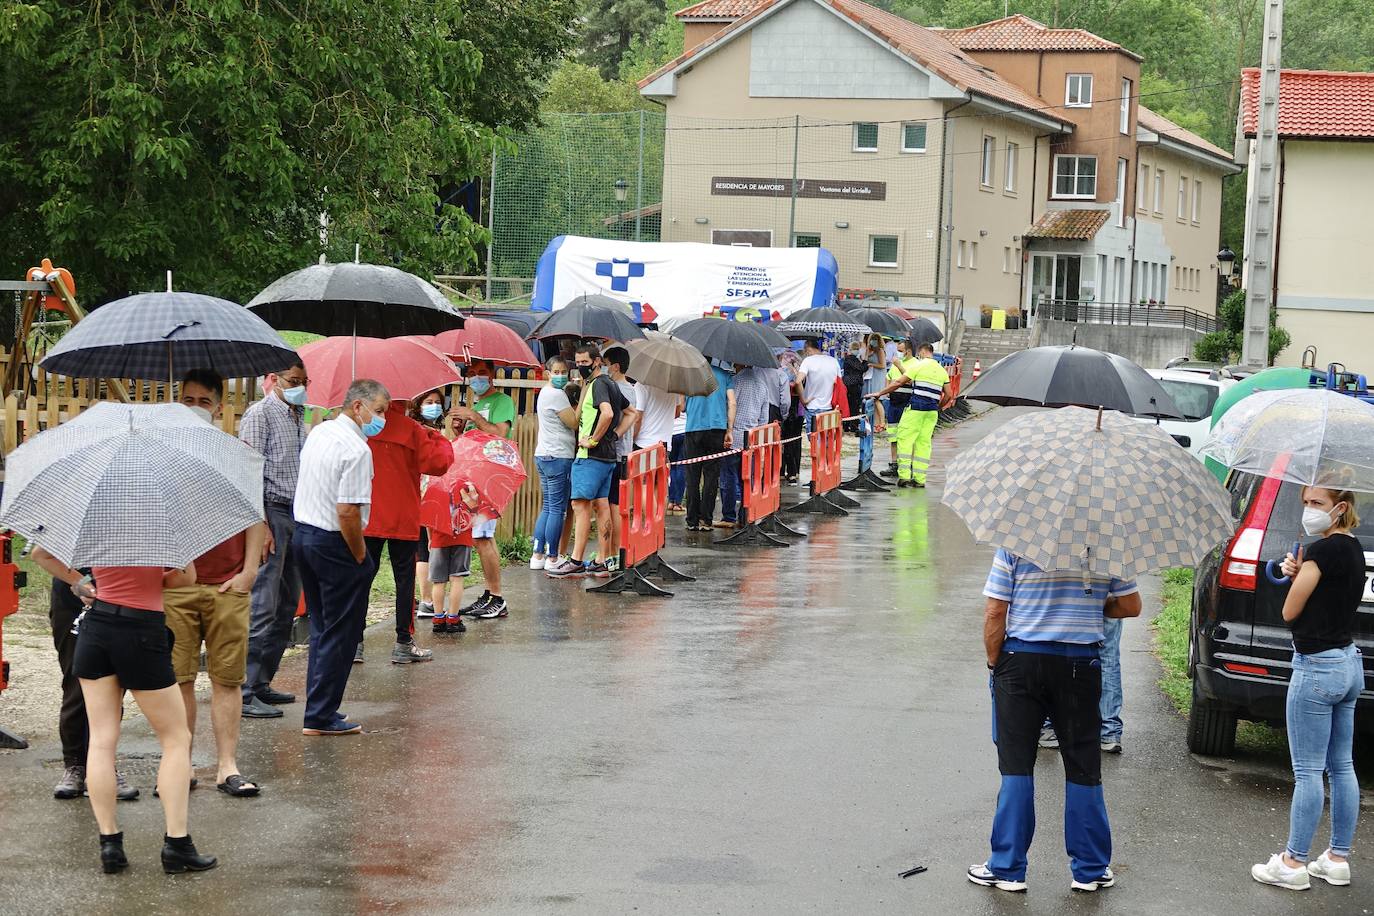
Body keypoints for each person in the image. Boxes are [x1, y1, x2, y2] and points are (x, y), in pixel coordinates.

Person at [32, 550, 217, 874]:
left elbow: (40, 553)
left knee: (102, 740)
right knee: (175, 738)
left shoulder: (96, 515)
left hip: (95, 628)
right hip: (140, 629)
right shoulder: (156, 520)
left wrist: (82, 583)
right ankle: (177, 845)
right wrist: (153, 579)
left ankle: (110, 846)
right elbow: (185, 577)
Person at [970, 549, 1141, 894]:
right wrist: (1097, 605)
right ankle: (1090, 869)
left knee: (1016, 765)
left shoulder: (1015, 543)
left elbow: (995, 609)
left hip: (1021, 661)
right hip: (1080, 664)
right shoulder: (1107, 545)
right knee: (1083, 765)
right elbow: (1130, 606)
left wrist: (994, 663)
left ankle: (1007, 868)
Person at [1251, 487, 1365, 891]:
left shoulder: (1321, 551)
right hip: (1349, 664)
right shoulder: (1352, 549)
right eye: (1305, 502)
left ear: (1340, 507)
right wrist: (1303, 574)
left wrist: (1296, 576)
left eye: (1316, 503)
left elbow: (1290, 610)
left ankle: (1293, 862)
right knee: (1342, 766)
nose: (1308, 510)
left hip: (1317, 666)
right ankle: (1337, 858)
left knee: (1307, 772)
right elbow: (1329, 597)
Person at [165, 369, 268, 798]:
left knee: (228, 678)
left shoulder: (236, 454)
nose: (195, 408)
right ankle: (181, 764)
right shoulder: (164, 456)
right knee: (179, 678)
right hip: (177, 585)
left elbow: (255, 517)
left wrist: (248, 573)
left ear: (219, 408)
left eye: (203, 402)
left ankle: (227, 765)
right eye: (187, 400)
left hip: (228, 582)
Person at [295, 378, 390, 736]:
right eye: (378, 411)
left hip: (304, 534)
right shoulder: (357, 450)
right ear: (358, 407)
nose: (380, 419)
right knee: (341, 632)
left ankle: (318, 709)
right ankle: (320, 714)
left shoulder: (319, 433)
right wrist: (360, 556)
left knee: (323, 627)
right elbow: (348, 510)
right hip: (333, 541)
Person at [354, 392, 452, 664]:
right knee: (404, 582)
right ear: (405, 402)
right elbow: (440, 464)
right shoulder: (413, 430)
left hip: (368, 514)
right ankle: (403, 642)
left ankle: (355, 643)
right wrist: (438, 437)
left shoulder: (362, 427)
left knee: (362, 580)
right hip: (404, 516)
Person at [238, 358, 308, 719]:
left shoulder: (299, 417)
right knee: (262, 604)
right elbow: (246, 469)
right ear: (274, 380)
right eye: (293, 380)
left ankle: (263, 681)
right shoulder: (260, 414)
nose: (299, 386)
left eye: (303, 380)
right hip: (270, 511)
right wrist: (259, 524)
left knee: (287, 604)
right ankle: (243, 690)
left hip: (297, 514)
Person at [48, 579, 139, 801]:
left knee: (113, 687)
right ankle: (75, 765)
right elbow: (45, 555)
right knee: (76, 684)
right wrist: (80, 583)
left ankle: (105, 767)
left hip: (120, 597)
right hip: (71, 600)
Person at [547, 344, 632, 578]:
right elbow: (631, 413)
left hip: (591, 456)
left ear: (597, 361)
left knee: (580, 506)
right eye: (578, 362)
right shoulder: (611, 384)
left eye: (585, 362)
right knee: (601, 505)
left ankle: (575, 560)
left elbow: (607, 413)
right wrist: (614, 436)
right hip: (607, 457)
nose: (580, 366)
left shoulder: (599, 385)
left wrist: (593, 439)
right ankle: (604, 561)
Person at [453, 360, 516, 619]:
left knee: (483, 536)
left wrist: (474, 417)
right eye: (473, 374)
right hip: (473, 475)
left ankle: (497, 597)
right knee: (477, 537)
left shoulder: (502, 401)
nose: (477, 378)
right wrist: (460, 427)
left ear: (491, 376)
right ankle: (490, 594)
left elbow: (500, 434)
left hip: (490, 476)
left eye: (482, 373)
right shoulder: (476, 404)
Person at [868, 342, 952, 489]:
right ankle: (919, 479)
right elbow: (949, 395)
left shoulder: (918, 366)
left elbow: (899, 382)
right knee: (923, 444)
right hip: (931, 412)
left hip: (915, 409)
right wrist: (937, 407)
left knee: (905, 440)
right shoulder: (941, 370)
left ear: (922, 352)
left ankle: (904, 476)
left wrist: (880, 393)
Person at [531, 357, 578, 571]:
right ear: (548, 373)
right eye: (556, 371)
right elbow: (574, 422)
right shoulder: (557, 395)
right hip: (559, 455)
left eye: (563, 371)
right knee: (557, 509)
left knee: (548, 506)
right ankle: (553, 557)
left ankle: (538, 554)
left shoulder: (544, 393)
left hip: (543, 454)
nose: (560, 375)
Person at [682, 358, 735, 532]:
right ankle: (706, 520)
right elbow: (732, 403)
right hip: (717, 428)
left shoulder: (689, 376)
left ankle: (692, 520)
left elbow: (681, 406)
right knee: (712, 476)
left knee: (692, 476)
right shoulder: (725, 375)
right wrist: (730, 430)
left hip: (693, 429)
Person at [603, 346, 642, 569]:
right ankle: (616, 554)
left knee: (610, 505)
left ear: (615, 366)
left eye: (607, 364)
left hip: (613, 453)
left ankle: (611, 554)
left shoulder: (613, 389)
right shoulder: (631, 389)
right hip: (625, 453)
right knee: (617, 504)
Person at [720, 363, 771, 527]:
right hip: (752, 440)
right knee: (747, 479)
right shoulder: (763, 386)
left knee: (729, 477)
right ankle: (746, 515)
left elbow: (729, 406)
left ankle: (728, 517)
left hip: (733, 437)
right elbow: (764, 419)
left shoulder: (734, 382)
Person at [411, 390, 447, 618]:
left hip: (429, 490)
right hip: (426, 489)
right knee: (426, 545)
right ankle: (428, 600)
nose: (433, 406)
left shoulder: (422, 429)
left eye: (437, 403)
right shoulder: (423, 431)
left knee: (427, 546)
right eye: (429, 402)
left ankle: (427, 599)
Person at [428, 480, 480, 635]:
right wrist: (473, 502)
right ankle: (453, 618)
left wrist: (431, 539)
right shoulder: (468, 486)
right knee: (457, 578)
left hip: (439, 539)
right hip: (462, 539)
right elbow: (474, 516)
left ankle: (438, 619)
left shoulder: (434, 486)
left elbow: (428, 517)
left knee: (438, 581)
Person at [880, 340, 915, 478]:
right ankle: (894, 464)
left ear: (909, 350)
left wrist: (900, 365)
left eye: (901, 351)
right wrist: (887, 389)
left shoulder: (915, 364)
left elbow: (911, 380)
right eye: (897, 351)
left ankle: (907, 464)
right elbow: (888, 377)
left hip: (907, 403)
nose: (898, 354)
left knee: (906, 436)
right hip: (893, 403)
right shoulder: (894, 365)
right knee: (893, 435)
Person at [793, 338, 839, 432]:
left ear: (808, 349)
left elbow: (797, 382)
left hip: (812, 406)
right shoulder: (833, 361)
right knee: (827, 441)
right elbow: (839, 384)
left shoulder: (808, 361)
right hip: (830, 407)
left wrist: (803, 400)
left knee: (814, 441)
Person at [858, 335, 888, 474]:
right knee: (871, 401)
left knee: (877, 399)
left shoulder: (880, 351)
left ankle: (881, 422)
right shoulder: (869, 350)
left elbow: (882, 365)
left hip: (877, 376)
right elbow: (863, 359)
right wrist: (866, 350)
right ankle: (874, 423)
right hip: (869, 377)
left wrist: (871, 364)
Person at [777, 349, 804, 485]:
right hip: (799, 407)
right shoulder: (799, 363)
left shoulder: (782, 369)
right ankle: (794, 471)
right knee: (794, 441)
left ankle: (785, 472)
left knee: (785, 440)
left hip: (788, 407)